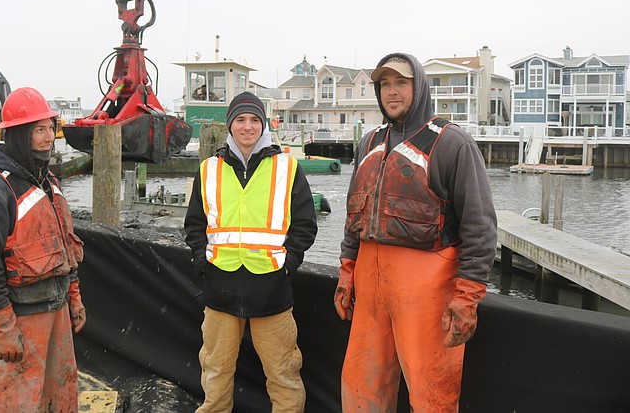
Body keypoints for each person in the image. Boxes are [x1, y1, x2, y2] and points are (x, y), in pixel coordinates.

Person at [335, 53, 497, 412]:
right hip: (370, 286)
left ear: (418, 87)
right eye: (385, 84)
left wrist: (467, 297)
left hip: (428, 292)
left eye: (401, 83)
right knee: (361, 387)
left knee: (431, 396)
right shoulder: (368, 143)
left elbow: (480, 226)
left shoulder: (452, 144)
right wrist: (347, 270)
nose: (392, 92)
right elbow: (354, 213)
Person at [185, 91, 318, 413]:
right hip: (220, 286)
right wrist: (202, 258)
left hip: (271, 287)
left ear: (264, 125)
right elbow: (194, 224)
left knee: (283, 373)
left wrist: (289, 263)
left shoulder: (288, 168)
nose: (247, 127)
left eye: (254, 120)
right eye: (240, 120)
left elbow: (304, 224)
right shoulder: (208, 169)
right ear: (230, 126)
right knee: (215, 371)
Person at [0, 87, 86, 412]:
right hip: (22, 318)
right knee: (15, 400)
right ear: (19, 134)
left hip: (56, 311)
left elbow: (64, 247)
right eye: (39, 130)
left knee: (60, 394)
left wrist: (74, 297)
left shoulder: (48, 182)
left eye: (50, 128)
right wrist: (2, 328)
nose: (49, 137)